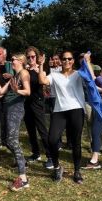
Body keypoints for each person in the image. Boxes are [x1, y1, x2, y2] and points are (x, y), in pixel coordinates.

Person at [38, 51, 86, 184]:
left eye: (69, 59)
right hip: (59, 111)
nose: (66, 61)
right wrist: (41, 65)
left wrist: (87, 62)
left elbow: (91, 80)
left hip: (76, 109)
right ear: (60, 61)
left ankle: (77, 171)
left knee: (76, 142)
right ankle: (57, 167)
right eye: (64, 59)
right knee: (52, 140)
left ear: (73, 60)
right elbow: (42, 80)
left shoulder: (78, 74)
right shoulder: (54, 75)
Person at [0, 53, 31, 191]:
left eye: (13, 59)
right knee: (7, 141)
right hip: (6, 108)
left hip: (16, 109)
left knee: (12, 140)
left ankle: (23, 178)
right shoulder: (13, 76)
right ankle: (22, 161)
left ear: (20, 61)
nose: (11, 61)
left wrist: (17, 90)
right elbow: (1, 91)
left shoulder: (24, 73)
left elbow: (27, 91)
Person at [24, 47, 53, 169]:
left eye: (33, 57)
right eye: (29, 57)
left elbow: (42, 82)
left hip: (38, 102)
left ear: (36, 57)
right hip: (27, 103)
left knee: (42, 130)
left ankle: (50, 156)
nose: (31, 59)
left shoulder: (41, 70)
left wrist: (40, 66)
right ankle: (36, 153)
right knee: (30, 130)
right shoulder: (25, 70)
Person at [0, 47, 13, 147]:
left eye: (0, 54)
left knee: (7, 119)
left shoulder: (10, 65)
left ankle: (6, 140)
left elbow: (18, 76)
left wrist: (11, 76)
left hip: (8, 96)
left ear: (5, 55)